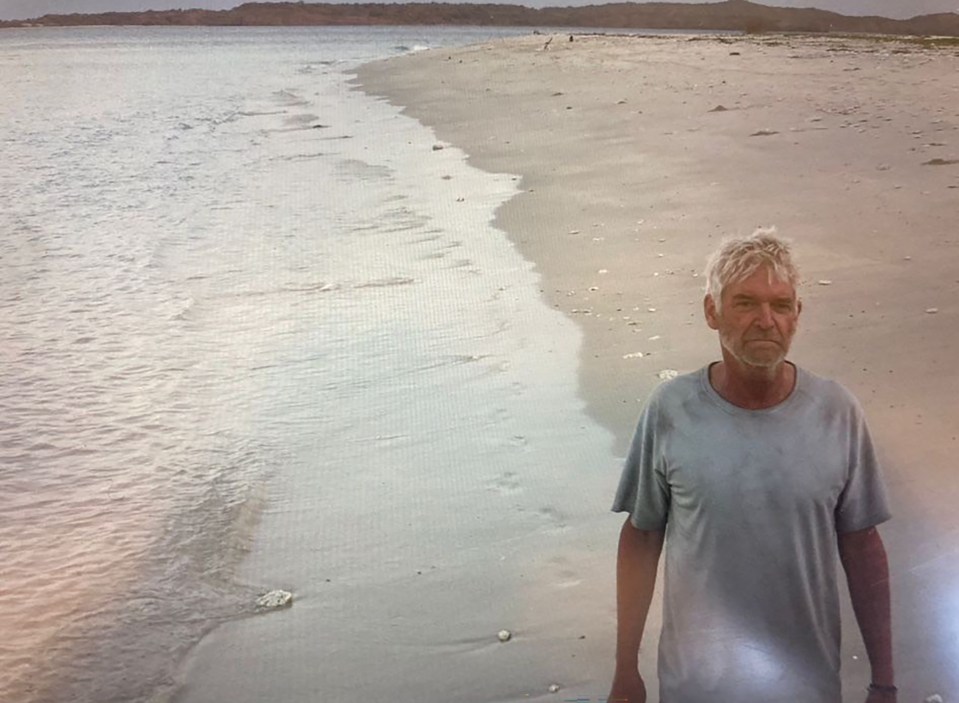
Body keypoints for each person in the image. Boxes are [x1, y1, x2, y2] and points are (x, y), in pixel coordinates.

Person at [608, 229, 895, 703]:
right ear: (711, 312)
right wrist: (625, 670)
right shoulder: (671, 411)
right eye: (745, 303)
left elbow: (863, 547)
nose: (766, 320)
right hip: (694, 687)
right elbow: (641, 537)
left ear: (797, 316)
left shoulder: (836, 412)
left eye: (781, 305)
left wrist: (884, 683)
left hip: (807, 686)